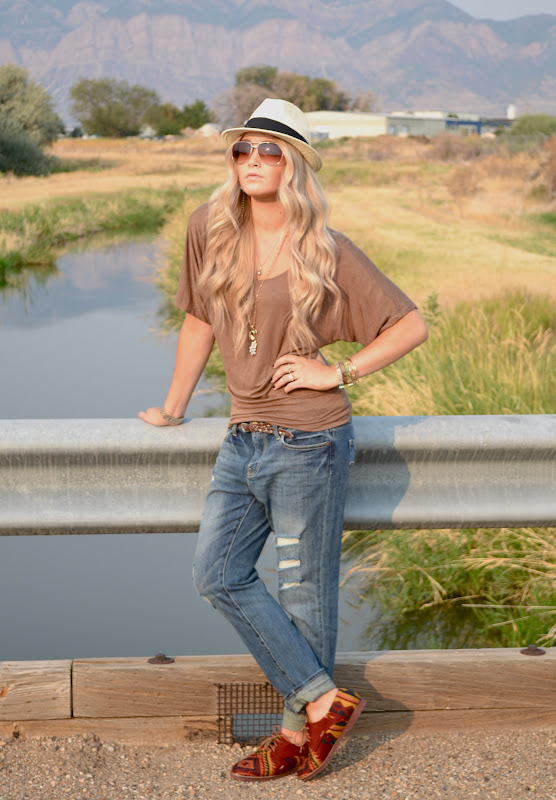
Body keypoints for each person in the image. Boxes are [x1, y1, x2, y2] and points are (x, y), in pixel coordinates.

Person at [139, 98, 428, 782]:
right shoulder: (208, 228)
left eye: (269, 150)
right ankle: (325, 702)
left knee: (304, 595)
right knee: (216, 574)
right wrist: (175, 407)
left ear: (293, 164)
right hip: (243, 436)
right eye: (242, 148)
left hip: (309, 443)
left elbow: (410, 325)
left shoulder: (326, 249)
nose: (252, 160)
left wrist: (337, 372)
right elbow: (197, 321)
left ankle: (297, 736)